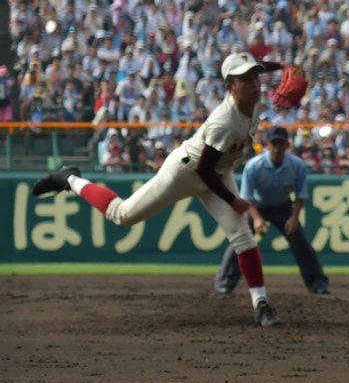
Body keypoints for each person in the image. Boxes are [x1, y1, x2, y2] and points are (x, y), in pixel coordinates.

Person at [31, 52, 287, 327]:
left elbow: (262, 70)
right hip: (187, 171)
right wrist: (232, 200)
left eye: (255, 75)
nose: (254, 82)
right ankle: (70, 179)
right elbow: (203, 171)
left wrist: (284, 66)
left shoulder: (254, 101)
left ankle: (261, 305)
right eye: (245, 79)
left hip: (219, 172)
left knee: (242, 236)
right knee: (122, 214)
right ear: (230, 86)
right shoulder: (224, 121)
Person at [214, 125, 331, 296]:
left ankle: (318, 283)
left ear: (287, 145)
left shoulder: (297, 165)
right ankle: (224, 283)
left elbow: (300, 196)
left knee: (301, 243)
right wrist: (257, 219)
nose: (277, 147)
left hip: (283, 208)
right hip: (256, 207)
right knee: (240, 240)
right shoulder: (254, 165)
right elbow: (247, 198)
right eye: (274, 143)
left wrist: (294, 218)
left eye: (281, 143)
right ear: (267, 145)